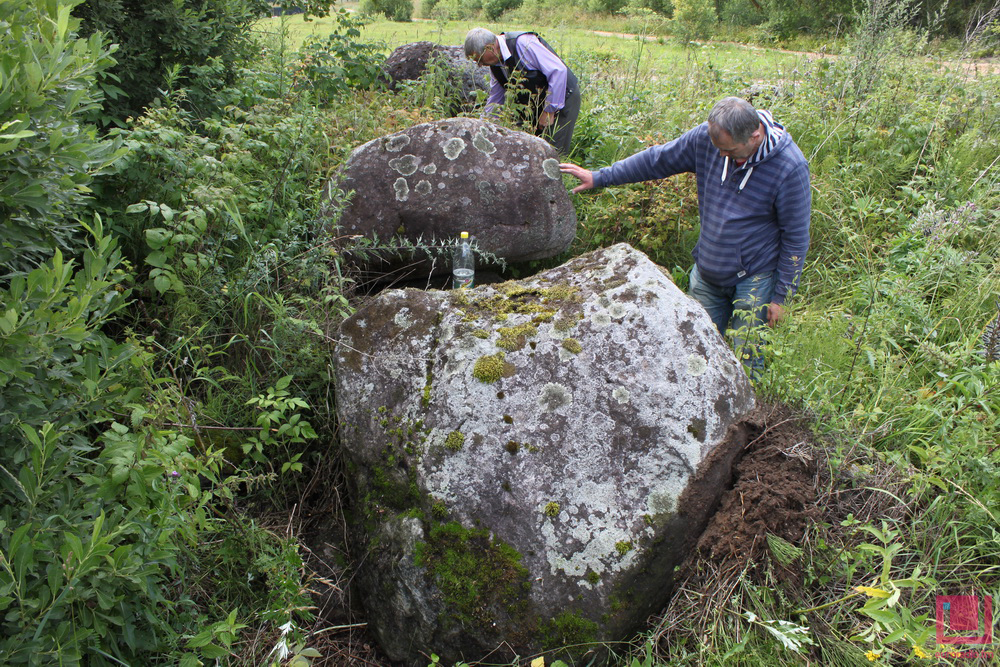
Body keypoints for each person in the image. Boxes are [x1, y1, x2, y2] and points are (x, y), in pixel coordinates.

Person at [560, 97, 810, 370]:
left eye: (730, 151)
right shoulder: (707, 140)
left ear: (755, 135)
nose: (722, 156)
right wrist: (600, 177)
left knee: (746, 360)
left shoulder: (789, 166)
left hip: (755, 280)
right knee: (697, 352)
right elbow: (658, 160)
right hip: (708, 271)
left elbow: (795, 236)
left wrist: (780, 297)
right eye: (719, 150)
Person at [464, 27, 580, 157]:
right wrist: (483, 125)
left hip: (561, 96)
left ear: (490, 48)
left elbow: (558, 71)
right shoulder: (495, 64)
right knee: (530, 149)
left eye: (479, 60)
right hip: (534, 104)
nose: (480, 65)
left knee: (553, 150)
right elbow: (496, 97)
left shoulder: (523, 43)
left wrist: (548, 111)